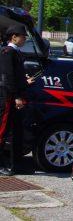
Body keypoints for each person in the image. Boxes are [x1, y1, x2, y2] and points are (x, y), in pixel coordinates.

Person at [0, 26, 31, 176]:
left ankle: (16, 164)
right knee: (2, 130)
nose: (24, 39)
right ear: (14, 37)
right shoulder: (8, 52)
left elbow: (16, 76)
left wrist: (25, 81)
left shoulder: (16, 52)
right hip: (8, 96)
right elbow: (8, 77)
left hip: (15, 95)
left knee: (17, 131)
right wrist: (17, 96)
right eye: (22, 36)